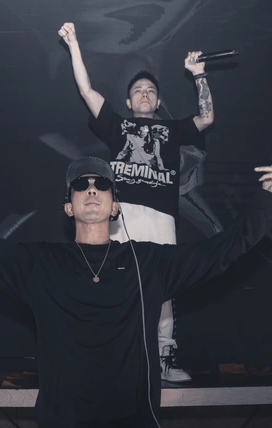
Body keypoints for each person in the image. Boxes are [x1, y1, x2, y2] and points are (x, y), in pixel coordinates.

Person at [0, 120, 272, 428]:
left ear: (114, 207)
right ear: (68, 207)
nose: (91, 189)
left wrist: (267, 201)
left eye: (102, 184)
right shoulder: (40, 263)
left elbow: (222, 251)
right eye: (81, 184)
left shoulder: (149, 263)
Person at [59, 22, 215, 383]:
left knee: (163, 287)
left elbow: (207, 117)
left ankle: (162, 358)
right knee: (113, 281)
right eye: (138, 90)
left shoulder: (172, 130)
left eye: (150, 90)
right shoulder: (117, 127)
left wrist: (199, 74)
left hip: (161, 217)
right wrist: (74, 44)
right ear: (129, 102)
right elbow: (86, 90)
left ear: (157, 102)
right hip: (121, 215)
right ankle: (110, 357)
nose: (145, 93)